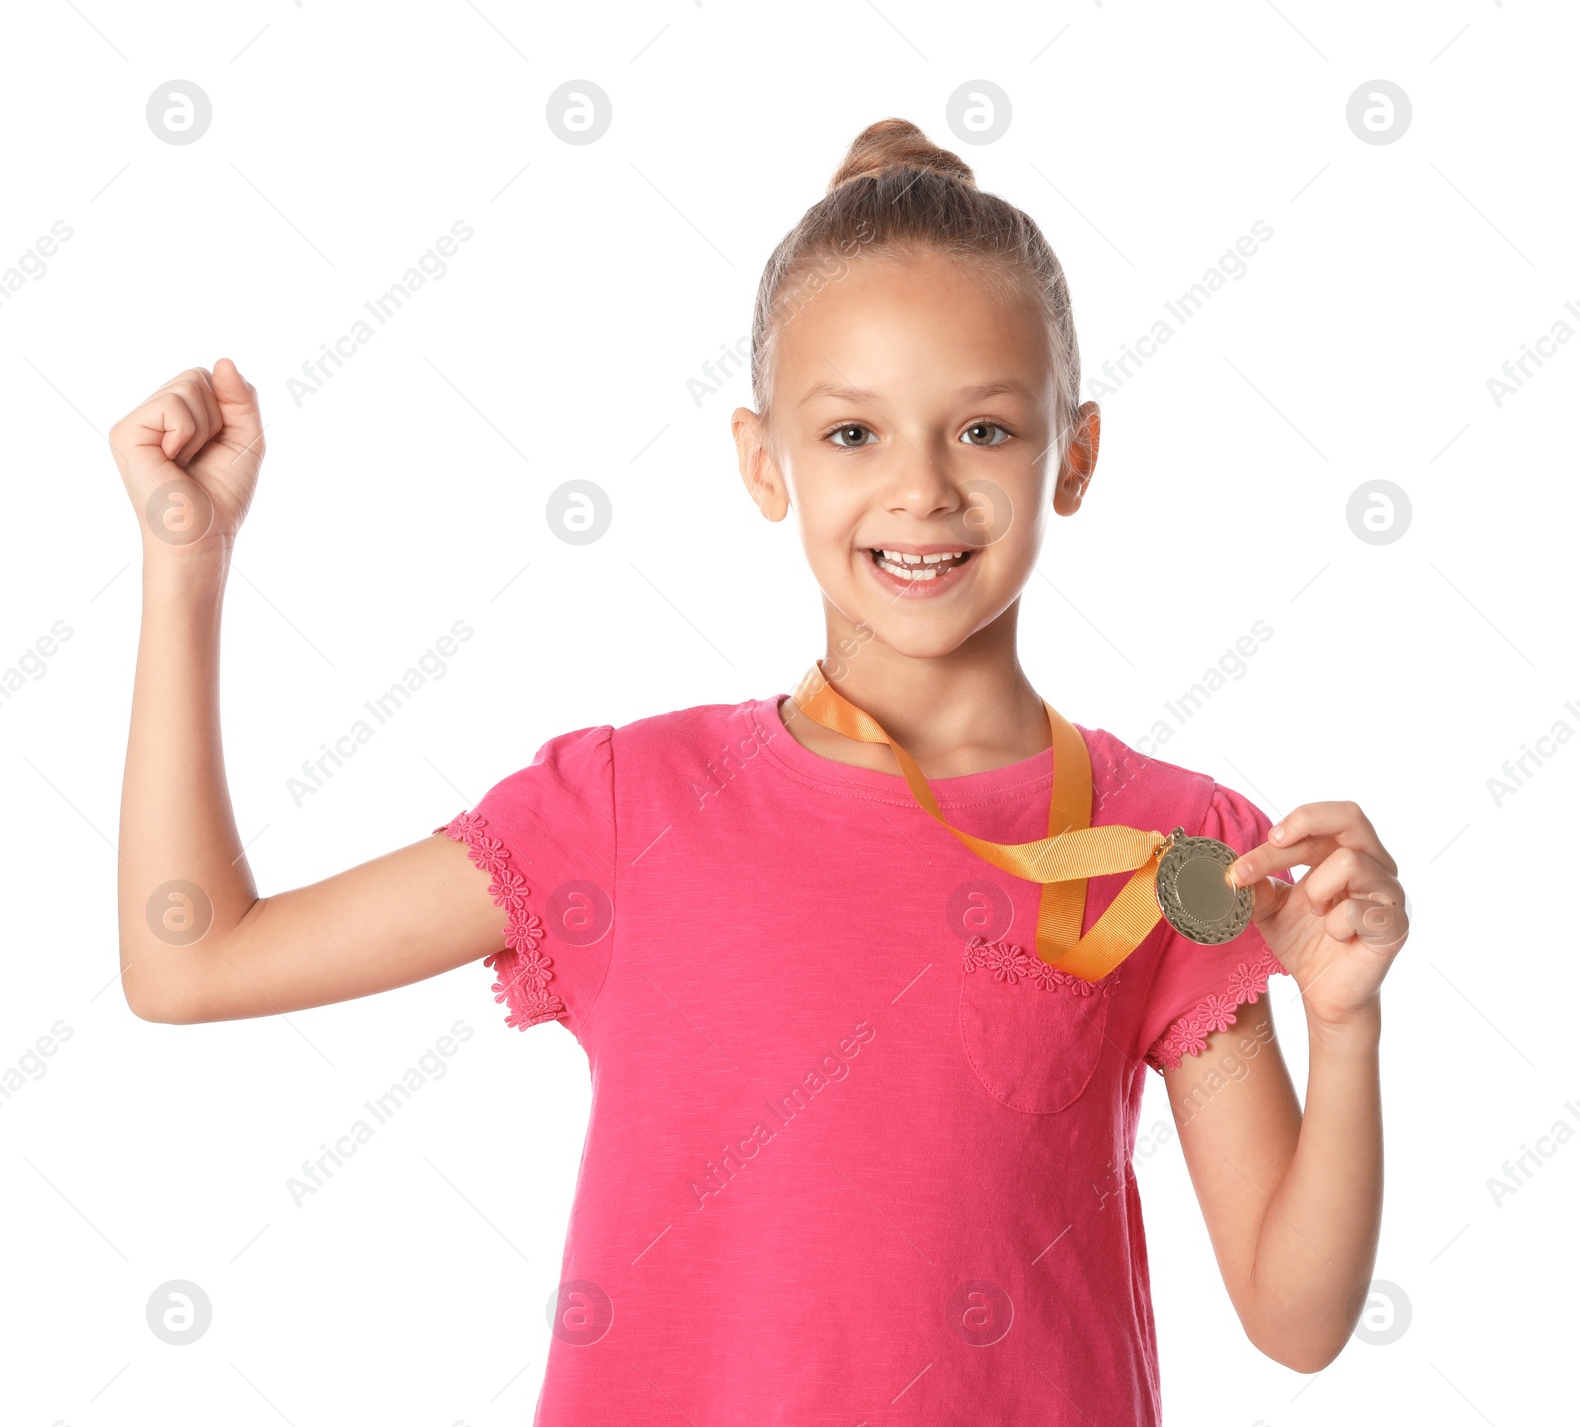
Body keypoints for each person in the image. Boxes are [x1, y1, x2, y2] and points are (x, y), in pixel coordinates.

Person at [110, 116, 1409, 1424]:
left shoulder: (1174, 847)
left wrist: (1343, 1023)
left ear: (1072, 455)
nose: (923, 492)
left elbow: (1295, 1323)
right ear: (759, 460)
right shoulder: (625, 812)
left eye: (986, 432)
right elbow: (192, 958)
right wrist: (187, 560)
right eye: (854, 435)